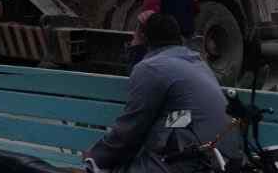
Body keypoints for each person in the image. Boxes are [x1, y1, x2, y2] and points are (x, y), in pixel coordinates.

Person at [85, 14, 242, 173]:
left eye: (134, 37)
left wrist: (96, 157)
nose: (131, 41)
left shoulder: (152, 68)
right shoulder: (196, 62)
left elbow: (132, 126)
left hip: (195, 159)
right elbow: (177, 117)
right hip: (222, 157)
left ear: (143, 39)